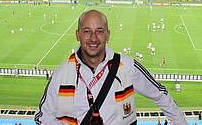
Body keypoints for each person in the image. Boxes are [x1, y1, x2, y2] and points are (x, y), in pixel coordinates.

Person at [35, 10, 188, 125]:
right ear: (77, 35)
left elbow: (161, 95)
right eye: (87, 31)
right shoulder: (62, 73)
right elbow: (42, 116)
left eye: (99, 31)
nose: (93, 38)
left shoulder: (127, 66)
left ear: (108, 35)